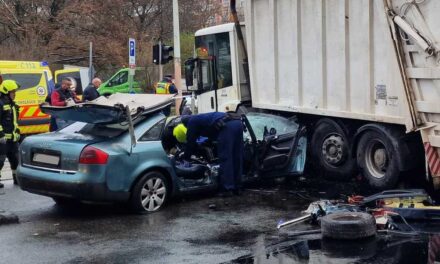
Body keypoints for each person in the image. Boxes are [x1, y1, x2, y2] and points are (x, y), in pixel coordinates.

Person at [173, 112, 244, 196]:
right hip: (238, 123)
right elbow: (212, 134)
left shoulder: (192, 122)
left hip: (227, 126)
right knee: (236, 157)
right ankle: (238, 188)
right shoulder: (201, 118)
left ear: (185, 124)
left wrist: (186, 158)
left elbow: (190, 143)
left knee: (226, 158)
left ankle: (227, 189)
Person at [0, 80, 21, 187]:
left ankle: (16, 178)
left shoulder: (12, 104)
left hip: (13, 140)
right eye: (13, 92)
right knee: (0, 160)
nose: (15, 93)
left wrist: (17, 134)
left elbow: (14, 123)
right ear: (6, 92)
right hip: (3, 140)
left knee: (15, 160)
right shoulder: (1, 104)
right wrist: (1, 135)